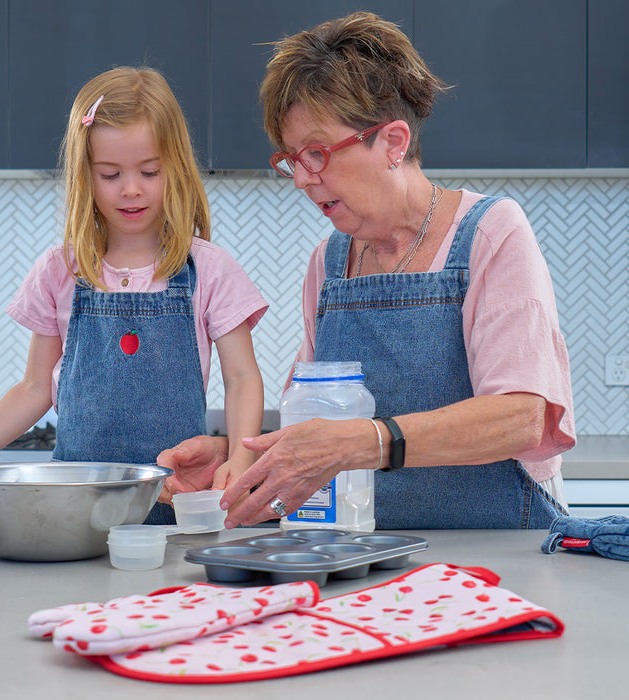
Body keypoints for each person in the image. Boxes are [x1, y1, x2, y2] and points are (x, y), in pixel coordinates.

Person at [157, 12, 575, 530]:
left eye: (317, 153)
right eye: (291, 160)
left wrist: (365, 440)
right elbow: (311, 426)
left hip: (496, 552)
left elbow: (520, 418)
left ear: (394, 142)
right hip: (368, 556)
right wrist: (234, 458)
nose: (302, 181)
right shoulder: (328, 265)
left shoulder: (491, 234)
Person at [0, 67, 267, 523]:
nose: (131, 188)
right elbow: (35, 387)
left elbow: (241, 378)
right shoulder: (61, 270)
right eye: (110, 173)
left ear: (175, 167)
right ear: (85, 175)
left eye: (149, 171)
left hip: (174, 512)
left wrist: (241, 456)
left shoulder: (209, 270)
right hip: (73, 513)